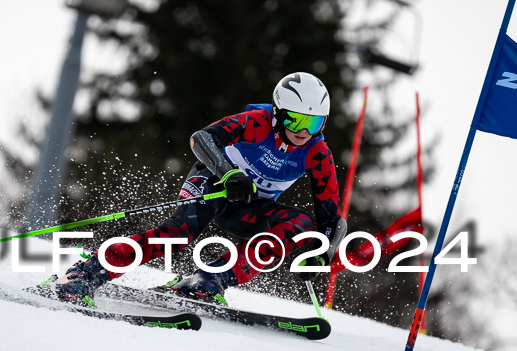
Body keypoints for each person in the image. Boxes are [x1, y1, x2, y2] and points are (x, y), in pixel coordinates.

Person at [50, 71, 347, 307]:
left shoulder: (317, 153)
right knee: (177, 235)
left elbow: (330, 215)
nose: (303, 131)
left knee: (299, 224)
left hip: (246, 208)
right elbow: (201, 139)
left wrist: (322, 253)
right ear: (279, 113)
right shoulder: (258, 123)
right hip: (213, 186)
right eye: (295, 119)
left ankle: (209, 279)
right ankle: (85, 273)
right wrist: (229, 173)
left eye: (314, 123)